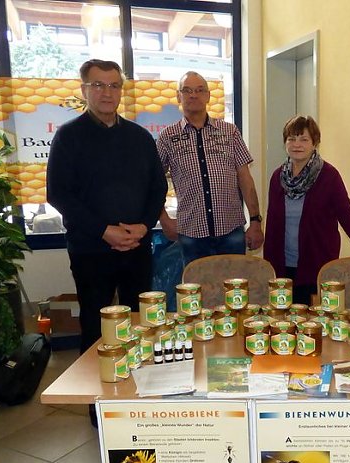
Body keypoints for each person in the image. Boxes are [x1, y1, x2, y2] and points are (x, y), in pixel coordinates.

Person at [47, 58, 167, 357]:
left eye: (114, 85)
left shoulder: (139, 137)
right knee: (95, 326)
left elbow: (158, 188)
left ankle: (136, 395)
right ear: (84, 89)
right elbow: (58, 194)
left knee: (141, 323)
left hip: (137, 247)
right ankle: (95, 401)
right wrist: (104, 231)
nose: (107, 92)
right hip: (91, 250)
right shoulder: (68, 136)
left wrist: (144, 224)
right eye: (98, 85)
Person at [263, 115, 350, 304]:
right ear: (285, 142)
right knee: (283, 320)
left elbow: (345, 213)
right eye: (291, 139)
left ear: (315, 143)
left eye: (304, 139)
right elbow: (272, 221)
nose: (297, 144)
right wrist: (269, 264)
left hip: (316, 263)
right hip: (282, 265)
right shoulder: (277, 177)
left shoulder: (329, 176)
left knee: (313, 321)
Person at [156, 71, 264, 264]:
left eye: (199, 90)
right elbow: (154, 182)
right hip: (191, 233)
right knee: (196, 291)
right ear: (178, 96)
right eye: (187, 90)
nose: (193, 95)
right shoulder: (167, 137)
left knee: (235, 290)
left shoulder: (229, 132)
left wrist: (255, 220)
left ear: (207, 95)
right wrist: (164, 219)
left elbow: (245, 178)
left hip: (231, 230)